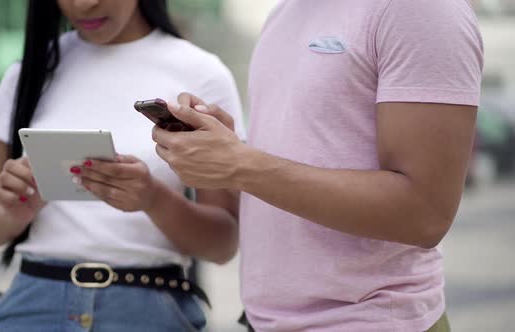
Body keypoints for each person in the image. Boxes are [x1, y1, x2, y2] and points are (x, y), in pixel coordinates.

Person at [152, 0, 483, 331]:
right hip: (263, 321)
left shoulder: (422, 9)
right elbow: (289, 169)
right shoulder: (285, 13)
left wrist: (242, 164)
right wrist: (227, 152)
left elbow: (425, 215)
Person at [0, 0, 245, 331]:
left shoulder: (202, 74)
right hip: (33, 305)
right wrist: (15, 211)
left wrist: (153, 199)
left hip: (148, 310)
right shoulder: (30, 71)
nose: (84, 4)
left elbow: (223, 243)